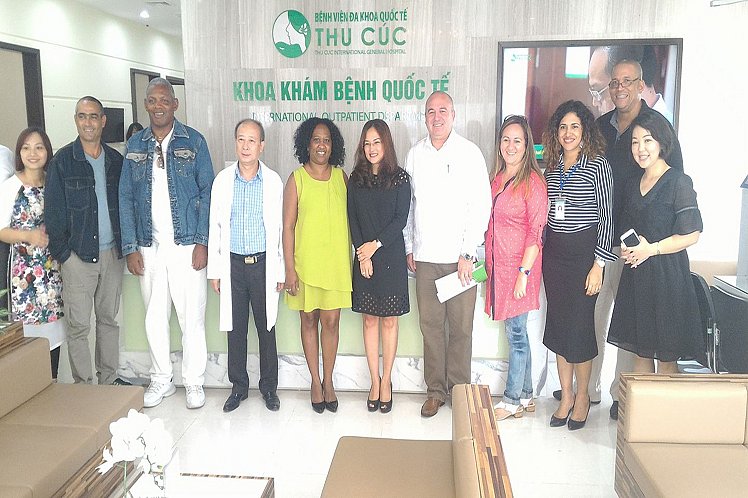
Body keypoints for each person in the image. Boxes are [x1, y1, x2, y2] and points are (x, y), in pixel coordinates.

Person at [593, 59, 684, 421]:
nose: (619, 88)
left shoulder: (656, 126)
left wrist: (654, 245)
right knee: (594, 317)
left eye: (627, 81)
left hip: (638, 247)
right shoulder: (600, 126)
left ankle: (622, 393)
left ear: (641, 84)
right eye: (614, 82)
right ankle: (588, 388)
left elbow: (674, 184)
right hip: (598, 241)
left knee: (629, 325)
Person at [119, 78, 214, 409]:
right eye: (152, 100)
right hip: (149, 244)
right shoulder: (135, 145)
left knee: (192, 317)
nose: (158, 106)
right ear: (146, 105)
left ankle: (193, 381)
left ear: (175, 104)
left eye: (164, 100)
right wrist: (130, 247)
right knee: (154, 316)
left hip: (186, 244)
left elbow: (208, 192)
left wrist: (202, 242)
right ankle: (161, 379)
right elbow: (125, 196)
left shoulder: (194, 141)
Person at [404, 91, 491, 418]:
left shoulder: (469, 153)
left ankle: (460, 392)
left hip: (461, 261)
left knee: (461, 329)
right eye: (431, 111)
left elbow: (480, 206)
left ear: (454, 115)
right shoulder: (415, 155)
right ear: (424, 117)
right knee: (430, 328)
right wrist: (409, 246)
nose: (436, 117)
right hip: (425, 258)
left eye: (443, 110)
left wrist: (468, 251)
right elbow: (408, 206)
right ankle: (435, 391)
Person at [607, 111, 702, 372]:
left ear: (661, 142)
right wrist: (629, 249)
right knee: (641, 354)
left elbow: (692, 234)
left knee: (667, 359)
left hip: (668, 280)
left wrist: (652, 249)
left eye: (647, 140)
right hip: (637, 277)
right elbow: (629, 228)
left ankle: (664, 403)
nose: (641, 148)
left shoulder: (679, 182)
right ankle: (642, 402)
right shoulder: (633, 183)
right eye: (635, 142)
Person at [542, 100, 615, 431]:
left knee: (580, 327)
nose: (568, 133)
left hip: (585, 256)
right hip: (554, 256)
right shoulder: (552, 167)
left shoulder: (598, 165)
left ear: (585, 130)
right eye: (562, 127)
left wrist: (599, 264)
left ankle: (583, 396)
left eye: (574, 126)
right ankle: (566, 396)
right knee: (558, 326)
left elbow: (607, 219)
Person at [45, 96, 128, 386]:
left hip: (112, 254)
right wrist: (65, 256)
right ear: (76, 120)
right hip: (78, 258)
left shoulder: (116, 161)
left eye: (93, 116)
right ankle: (84, 387)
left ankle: (109, 380)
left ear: (103, 121)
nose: (88, 122)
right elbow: (53, 214)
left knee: (108, 321)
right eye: (82, 116)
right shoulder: (62, 161)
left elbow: (125, 205)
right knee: (78, 327)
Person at [207, 119, 284, 413]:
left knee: (267, 328)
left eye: (252, 140)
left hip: (263, 264)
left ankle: (269, 388)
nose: (246, 146)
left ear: (261, 145)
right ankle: (238, 386)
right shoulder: (223, 181)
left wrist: (280, 270)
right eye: (241, 139)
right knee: (235, 329)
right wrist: (215, 271)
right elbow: (215, 227)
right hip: (233, 266)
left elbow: (280, 230)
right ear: (235, 143)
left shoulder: (273, 181)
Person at [283, 117, 351, 413]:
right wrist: (289, 269)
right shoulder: (296, 179)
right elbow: (287, 228)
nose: (321, 145)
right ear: (306, 144)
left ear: (332, 145)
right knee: (308, 321)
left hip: (335, 265)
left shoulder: (341, 178)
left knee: (331, 323)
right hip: (305, 265)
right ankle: (314, 381)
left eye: (326, 140)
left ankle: (329, 381)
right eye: (316, 140)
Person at [485, 116, 548, 421]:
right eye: (506, 139)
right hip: (499, 267)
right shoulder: (497, 178)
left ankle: (511, 401)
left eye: (517, 141)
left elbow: (536, 234)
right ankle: (526, 395)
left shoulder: (533, 183)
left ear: (527, 146)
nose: (510, 146)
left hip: (520, 269)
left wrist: (523, 274)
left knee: (516, 334)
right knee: (518, 331)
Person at [347, 119, 410, 414]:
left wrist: (375, 246)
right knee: (369, 320)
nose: (372, 148)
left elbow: (400, 219)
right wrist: (363, 255)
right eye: (367, 143)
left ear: (386, 144)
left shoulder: (400, 178)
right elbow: (353, 219)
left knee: (389, 321)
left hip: (390, 257)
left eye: (377, 142)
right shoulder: (355, 179)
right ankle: (374, 381)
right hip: (364, 258)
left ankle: (387, 381)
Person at [0, 128, 64, 378]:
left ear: (47, 151)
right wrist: (28, 236)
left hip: (52, 270)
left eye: (39, 147)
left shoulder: (54, 183)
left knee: (53, 330)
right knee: (26, 336)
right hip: (23, 275)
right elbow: (1, 230)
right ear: (19, 153)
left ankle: (52, 383)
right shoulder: (11, 186)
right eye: (26, 148)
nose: (33, 153)